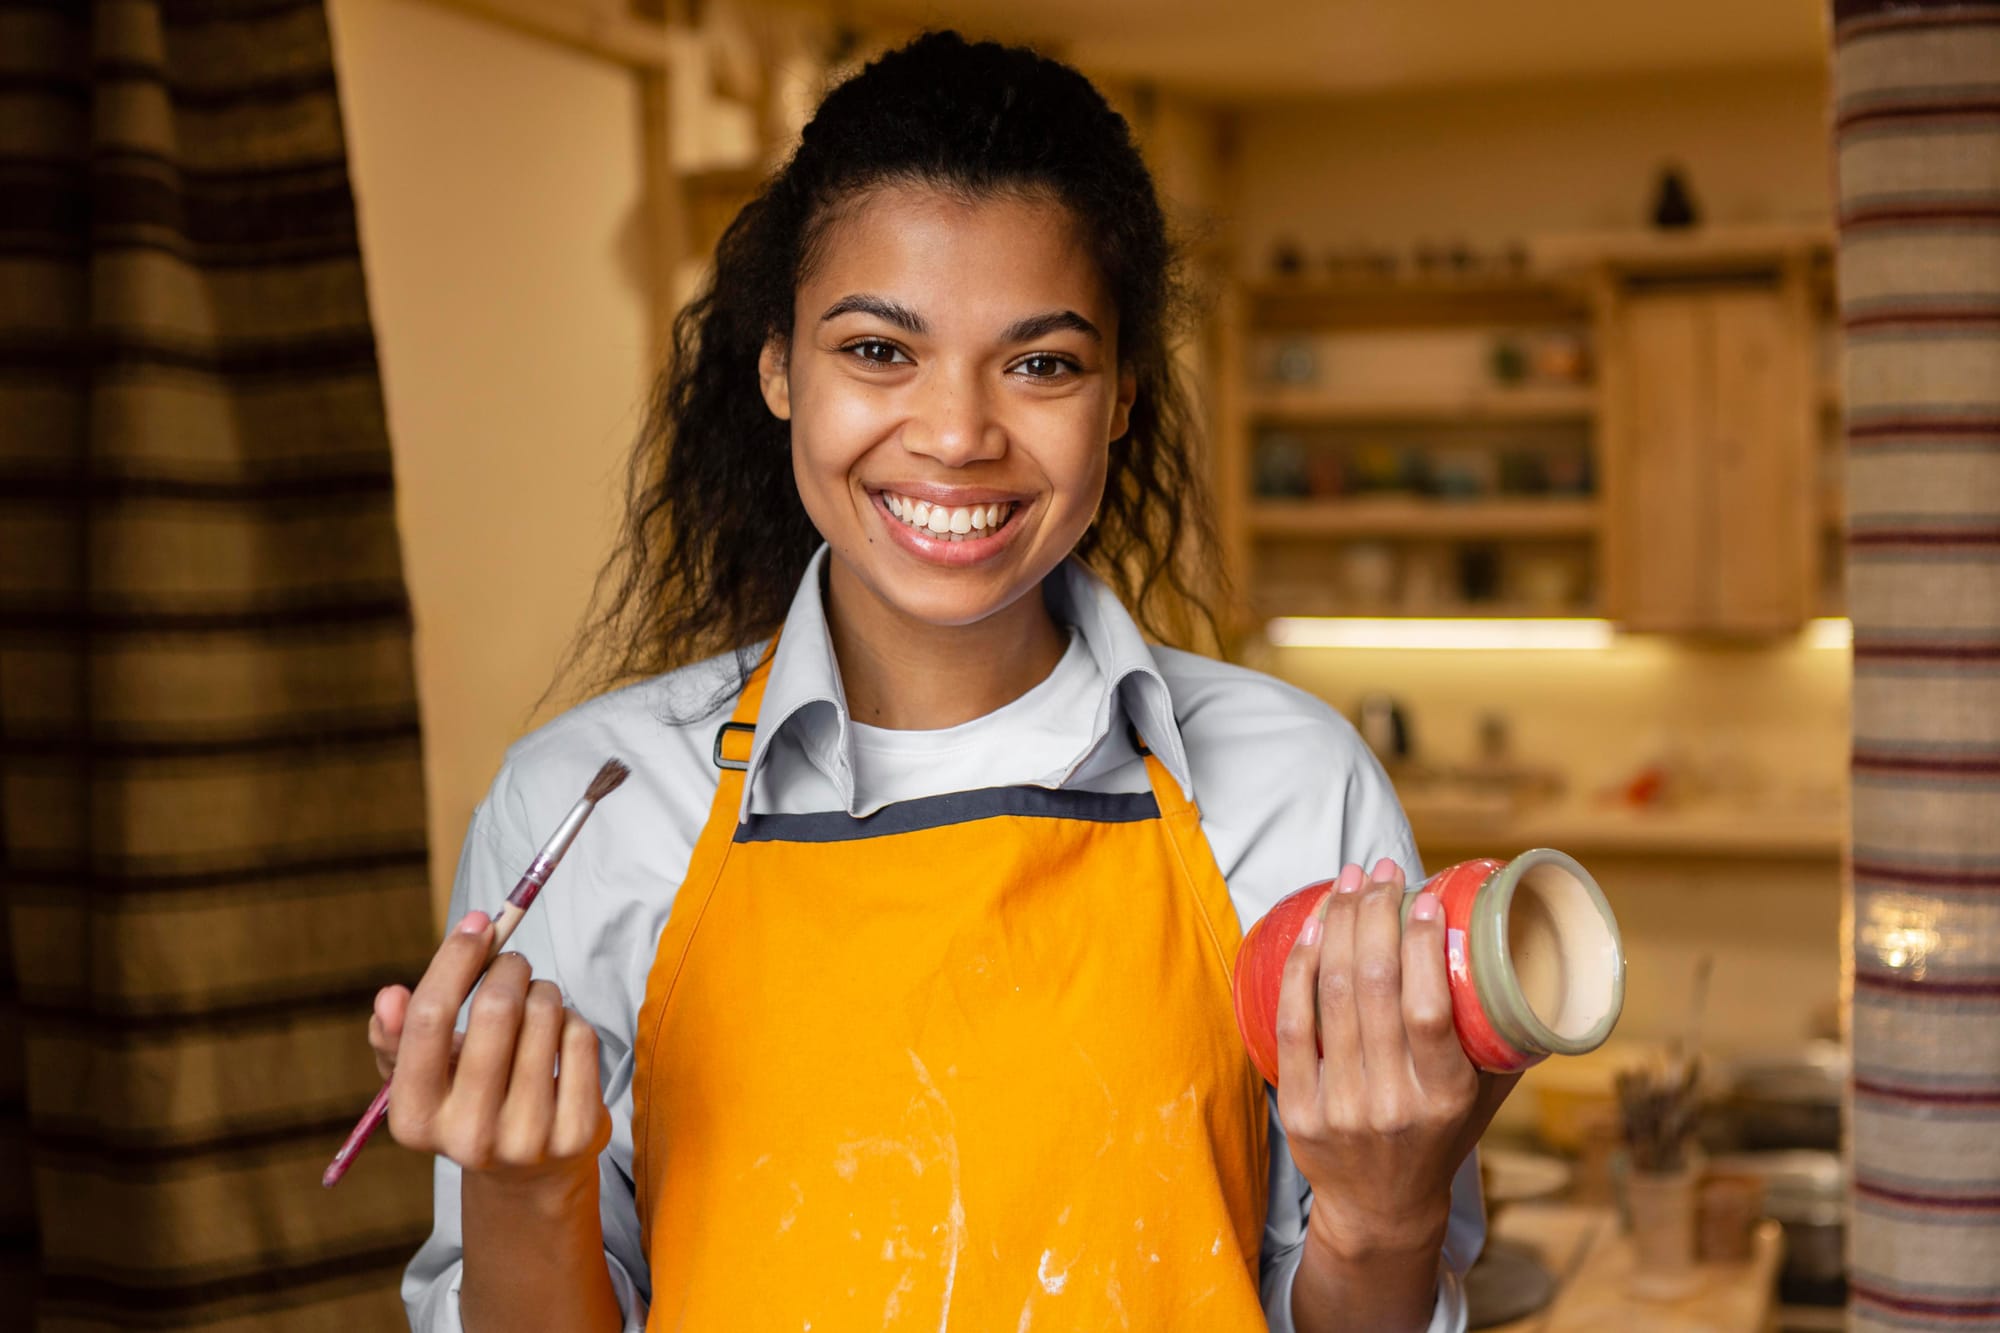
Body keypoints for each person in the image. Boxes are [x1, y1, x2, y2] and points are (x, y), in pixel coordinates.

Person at [373, 30, 1513, 1333]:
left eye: (1041, 362)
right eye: (878, 350)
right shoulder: (586, 805)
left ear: (1123, 393)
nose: (961, 433)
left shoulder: (1297, 789)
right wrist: (523, 1194)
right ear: (779, 368)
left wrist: (1386, 1215)